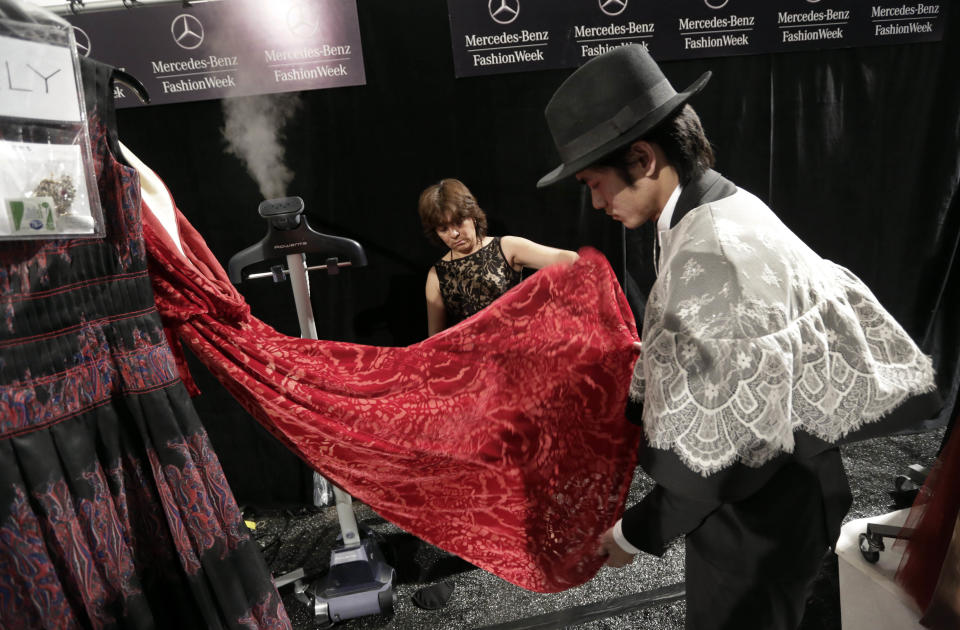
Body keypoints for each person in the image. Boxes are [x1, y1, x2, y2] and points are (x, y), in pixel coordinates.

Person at [537, 45, 938, 630]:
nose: (596, 202)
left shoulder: (712, 252)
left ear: (643, 158)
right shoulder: (717, 203)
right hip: (786, 489)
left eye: (595, 183)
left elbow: (720, 460)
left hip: (761, 520)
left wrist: (632, 533)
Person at [418, 178, 578, 335]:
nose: (454, 234)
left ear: (472, 216)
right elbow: (435, 340)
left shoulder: (506, 247)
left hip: (517, 351)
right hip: (473, 359)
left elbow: (572, 260)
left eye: (458, 222)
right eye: (443, 229)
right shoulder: (436, 275)